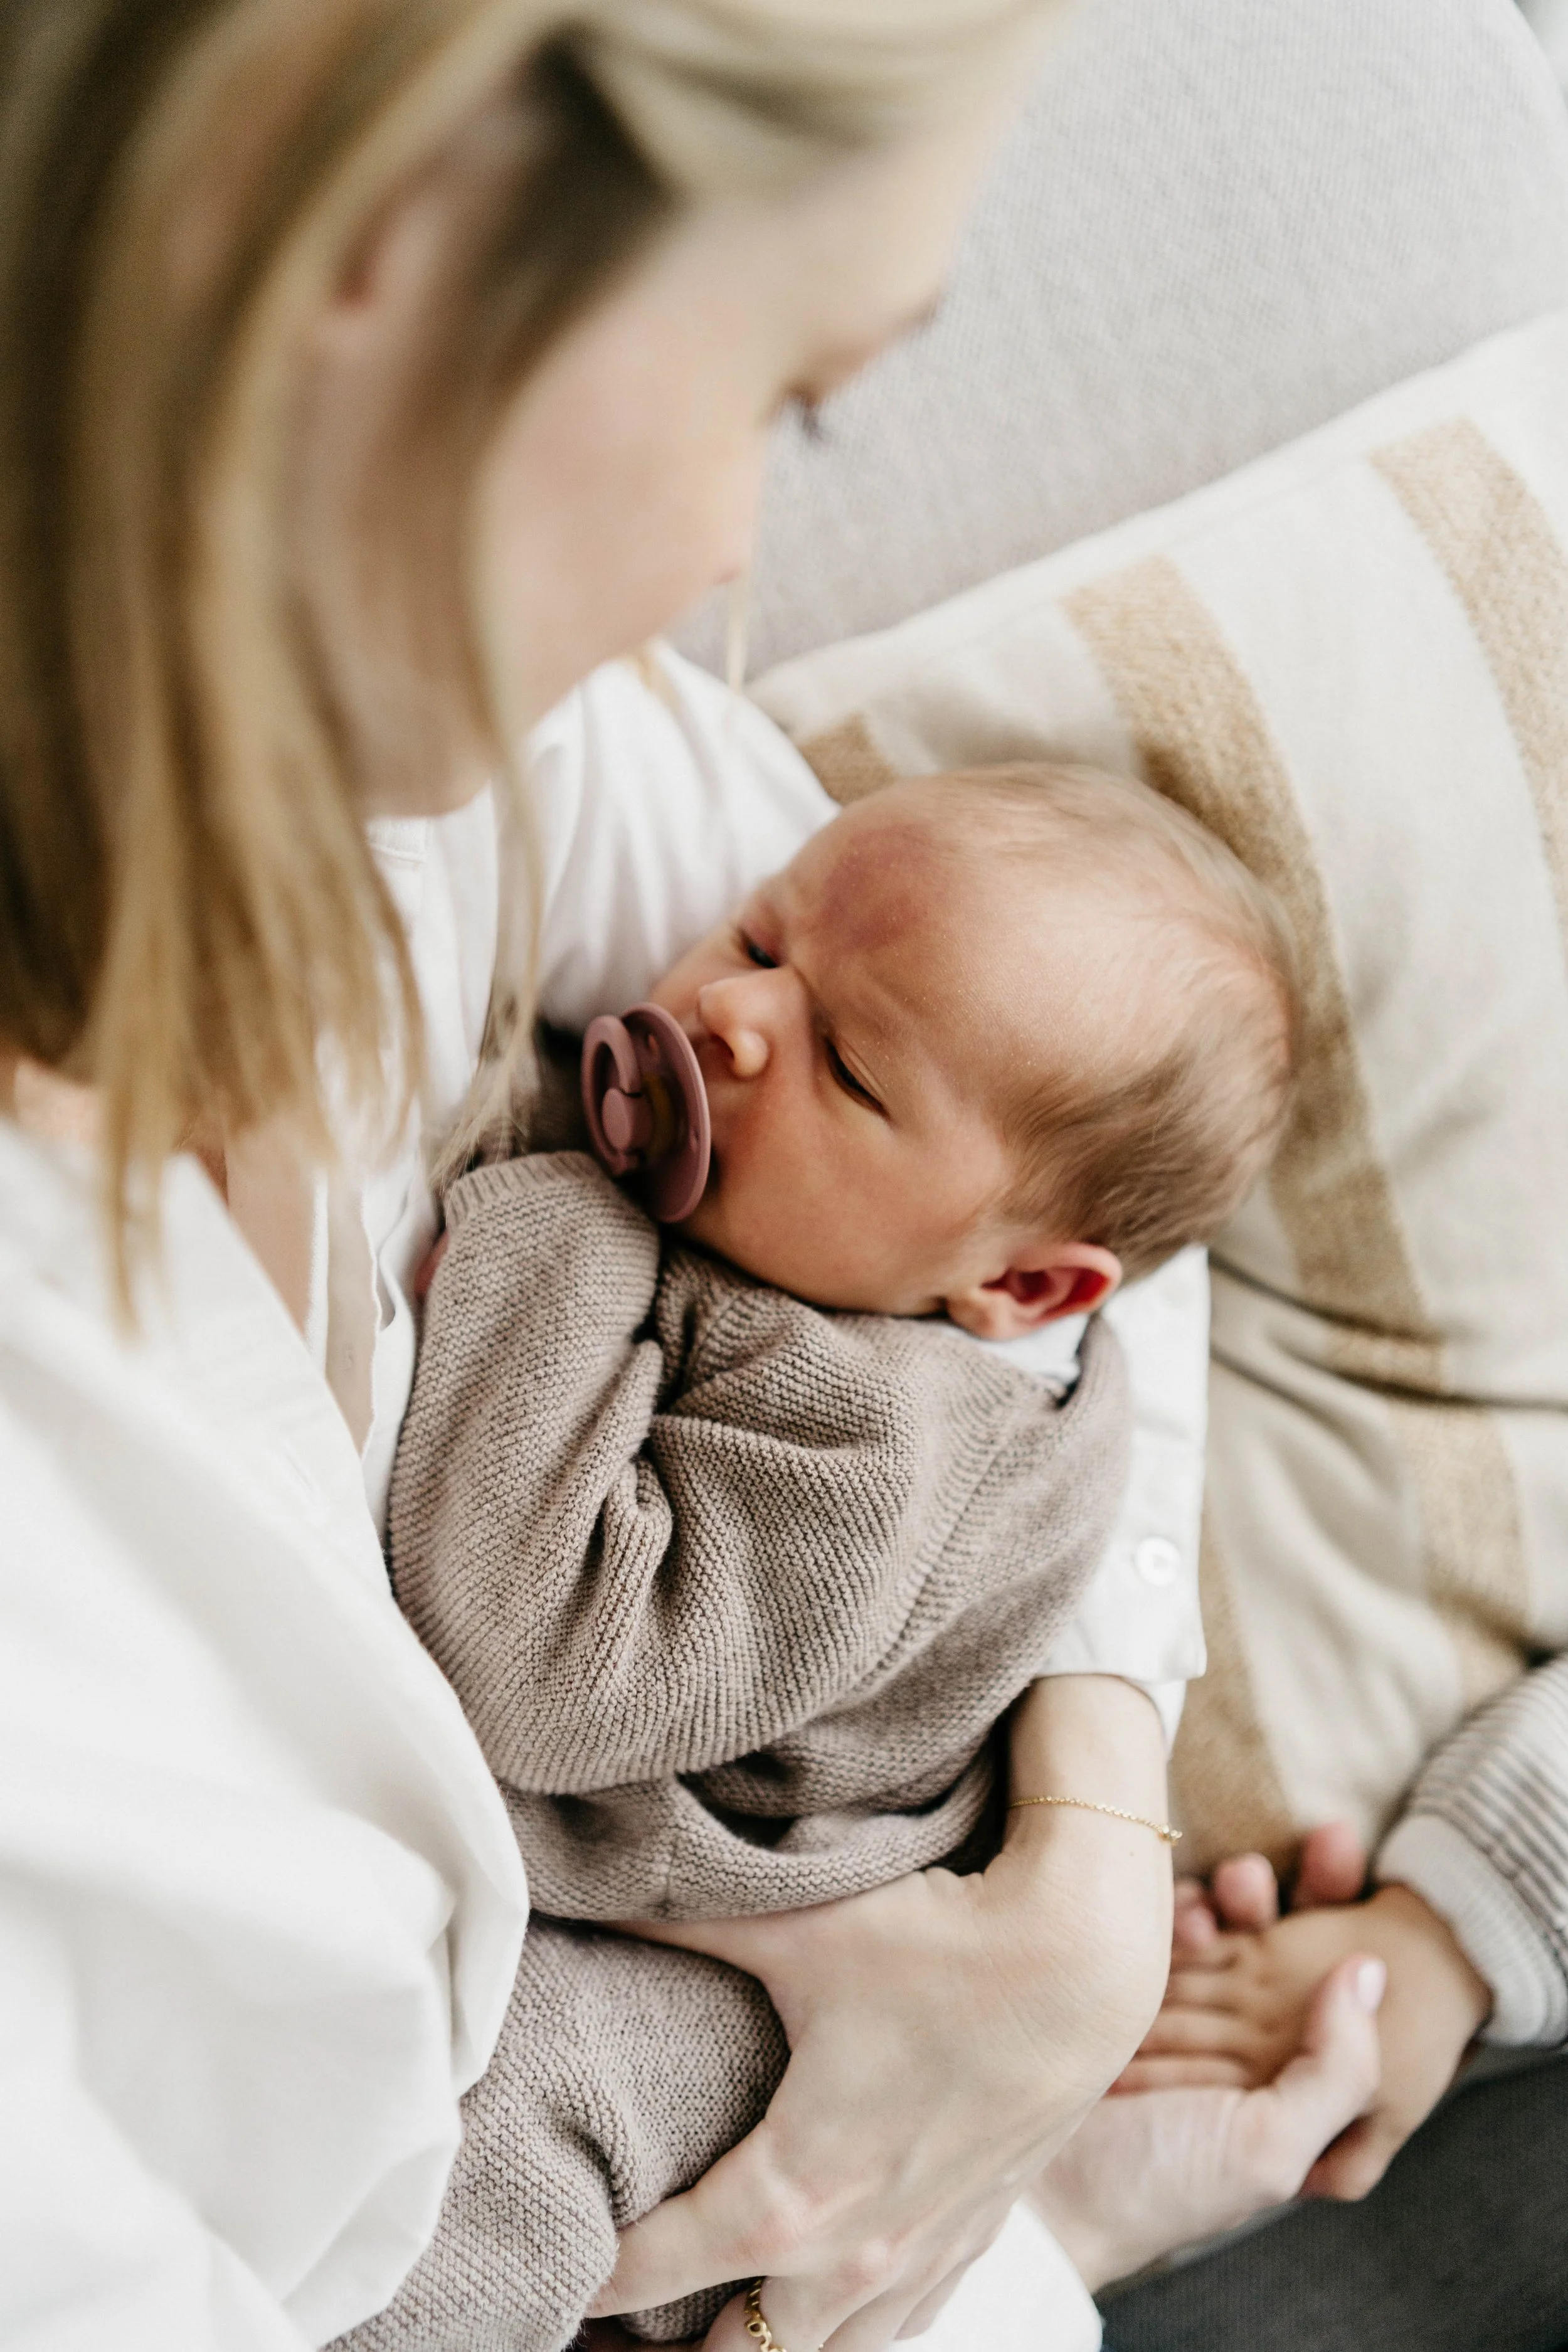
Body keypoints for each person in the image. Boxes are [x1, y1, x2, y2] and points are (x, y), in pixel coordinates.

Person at [0, 4, 1385, 2347]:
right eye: (792, 389)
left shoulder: (436, 742)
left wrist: (1073, 1881)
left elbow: (1089, 1154)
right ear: (381, 242)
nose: (750, 543)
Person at [357, 763, 1296, 2348]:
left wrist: (561, 1232)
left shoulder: (878, 1439)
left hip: (734, 2013)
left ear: (1026, 1291)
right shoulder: (797, 1229)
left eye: (849, 1069)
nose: (731, 1015)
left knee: (490, 2142)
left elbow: (549, 1672)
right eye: (758, 932)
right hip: (655, 1894)